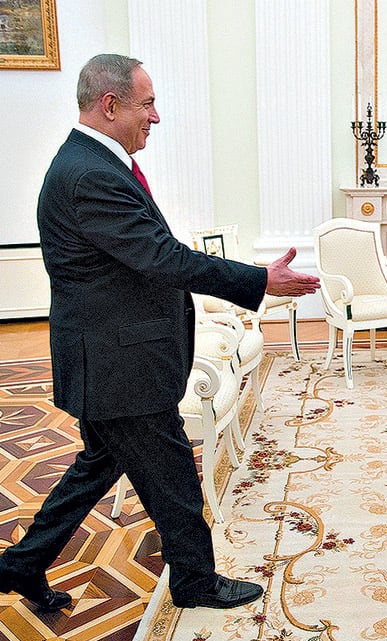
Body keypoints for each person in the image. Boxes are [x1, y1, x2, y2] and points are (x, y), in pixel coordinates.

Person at [0, 54, 321, 611]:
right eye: (147, 104)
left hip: (113, 357)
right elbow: (160, 258)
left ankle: (20, 564)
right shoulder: (87, 174)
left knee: (96, 466)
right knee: (173, 481)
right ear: (110, 105)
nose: (155, 116)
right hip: (118, 362)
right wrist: (257, 279)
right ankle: (195, 583)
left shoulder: (96, 164)